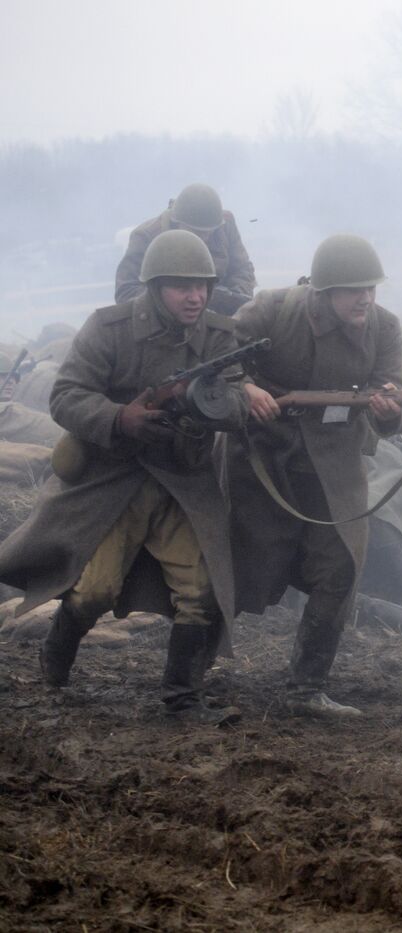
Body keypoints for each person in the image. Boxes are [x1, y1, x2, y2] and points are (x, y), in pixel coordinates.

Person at [0, 230, 247, 723]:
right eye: (182, 286)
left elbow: (237, 399)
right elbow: (65, 395)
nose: (195, 296)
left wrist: (210, 409)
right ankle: (58, 652)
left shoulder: (219, 337)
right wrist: (120, 418)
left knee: (201, 591)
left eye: (203, 285)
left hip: (183, 484)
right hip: (115, 480)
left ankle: (183, 700)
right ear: (155, 287)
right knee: (94, 591)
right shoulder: (109, 329)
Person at [226, 234, 402, 718]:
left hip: (336, 465)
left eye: (370, 288)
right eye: (353, 290)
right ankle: (184, 683)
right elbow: (215, 358)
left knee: (343, 566)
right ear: (323, 292)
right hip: (265, 459)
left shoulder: (384, 328)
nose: (365, 298)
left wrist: (390, 406)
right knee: (235, 563)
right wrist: (244, 387)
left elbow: (399, 400)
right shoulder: (273, 310)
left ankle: (306, 688)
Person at [115, 183, 257, 316]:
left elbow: (243, 270)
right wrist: (169, 300)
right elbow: (126, 291)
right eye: (197, 232)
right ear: (177, 223)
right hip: (165, 320)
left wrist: (229, 299)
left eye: (210, 232)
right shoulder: (146, 236)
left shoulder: (225, 223)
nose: (205, 238)